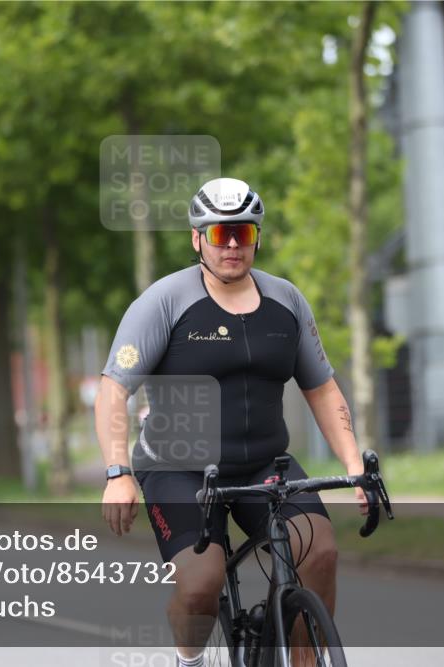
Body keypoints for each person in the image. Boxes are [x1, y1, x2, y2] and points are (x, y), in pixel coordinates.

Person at [94, 178, 368, 667]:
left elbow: (322, 388)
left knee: (320, 553)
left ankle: (302, 660)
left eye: (243, 232)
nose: (234, 245)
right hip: (179, 469)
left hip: (267, 465)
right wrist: (118, 472)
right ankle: (189, 659)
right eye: (221, 235)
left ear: (257, 235)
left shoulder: (286, 301)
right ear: (197, 238)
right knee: (202, 585)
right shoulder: (163, 303)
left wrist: (355, 467)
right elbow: (113, 390)